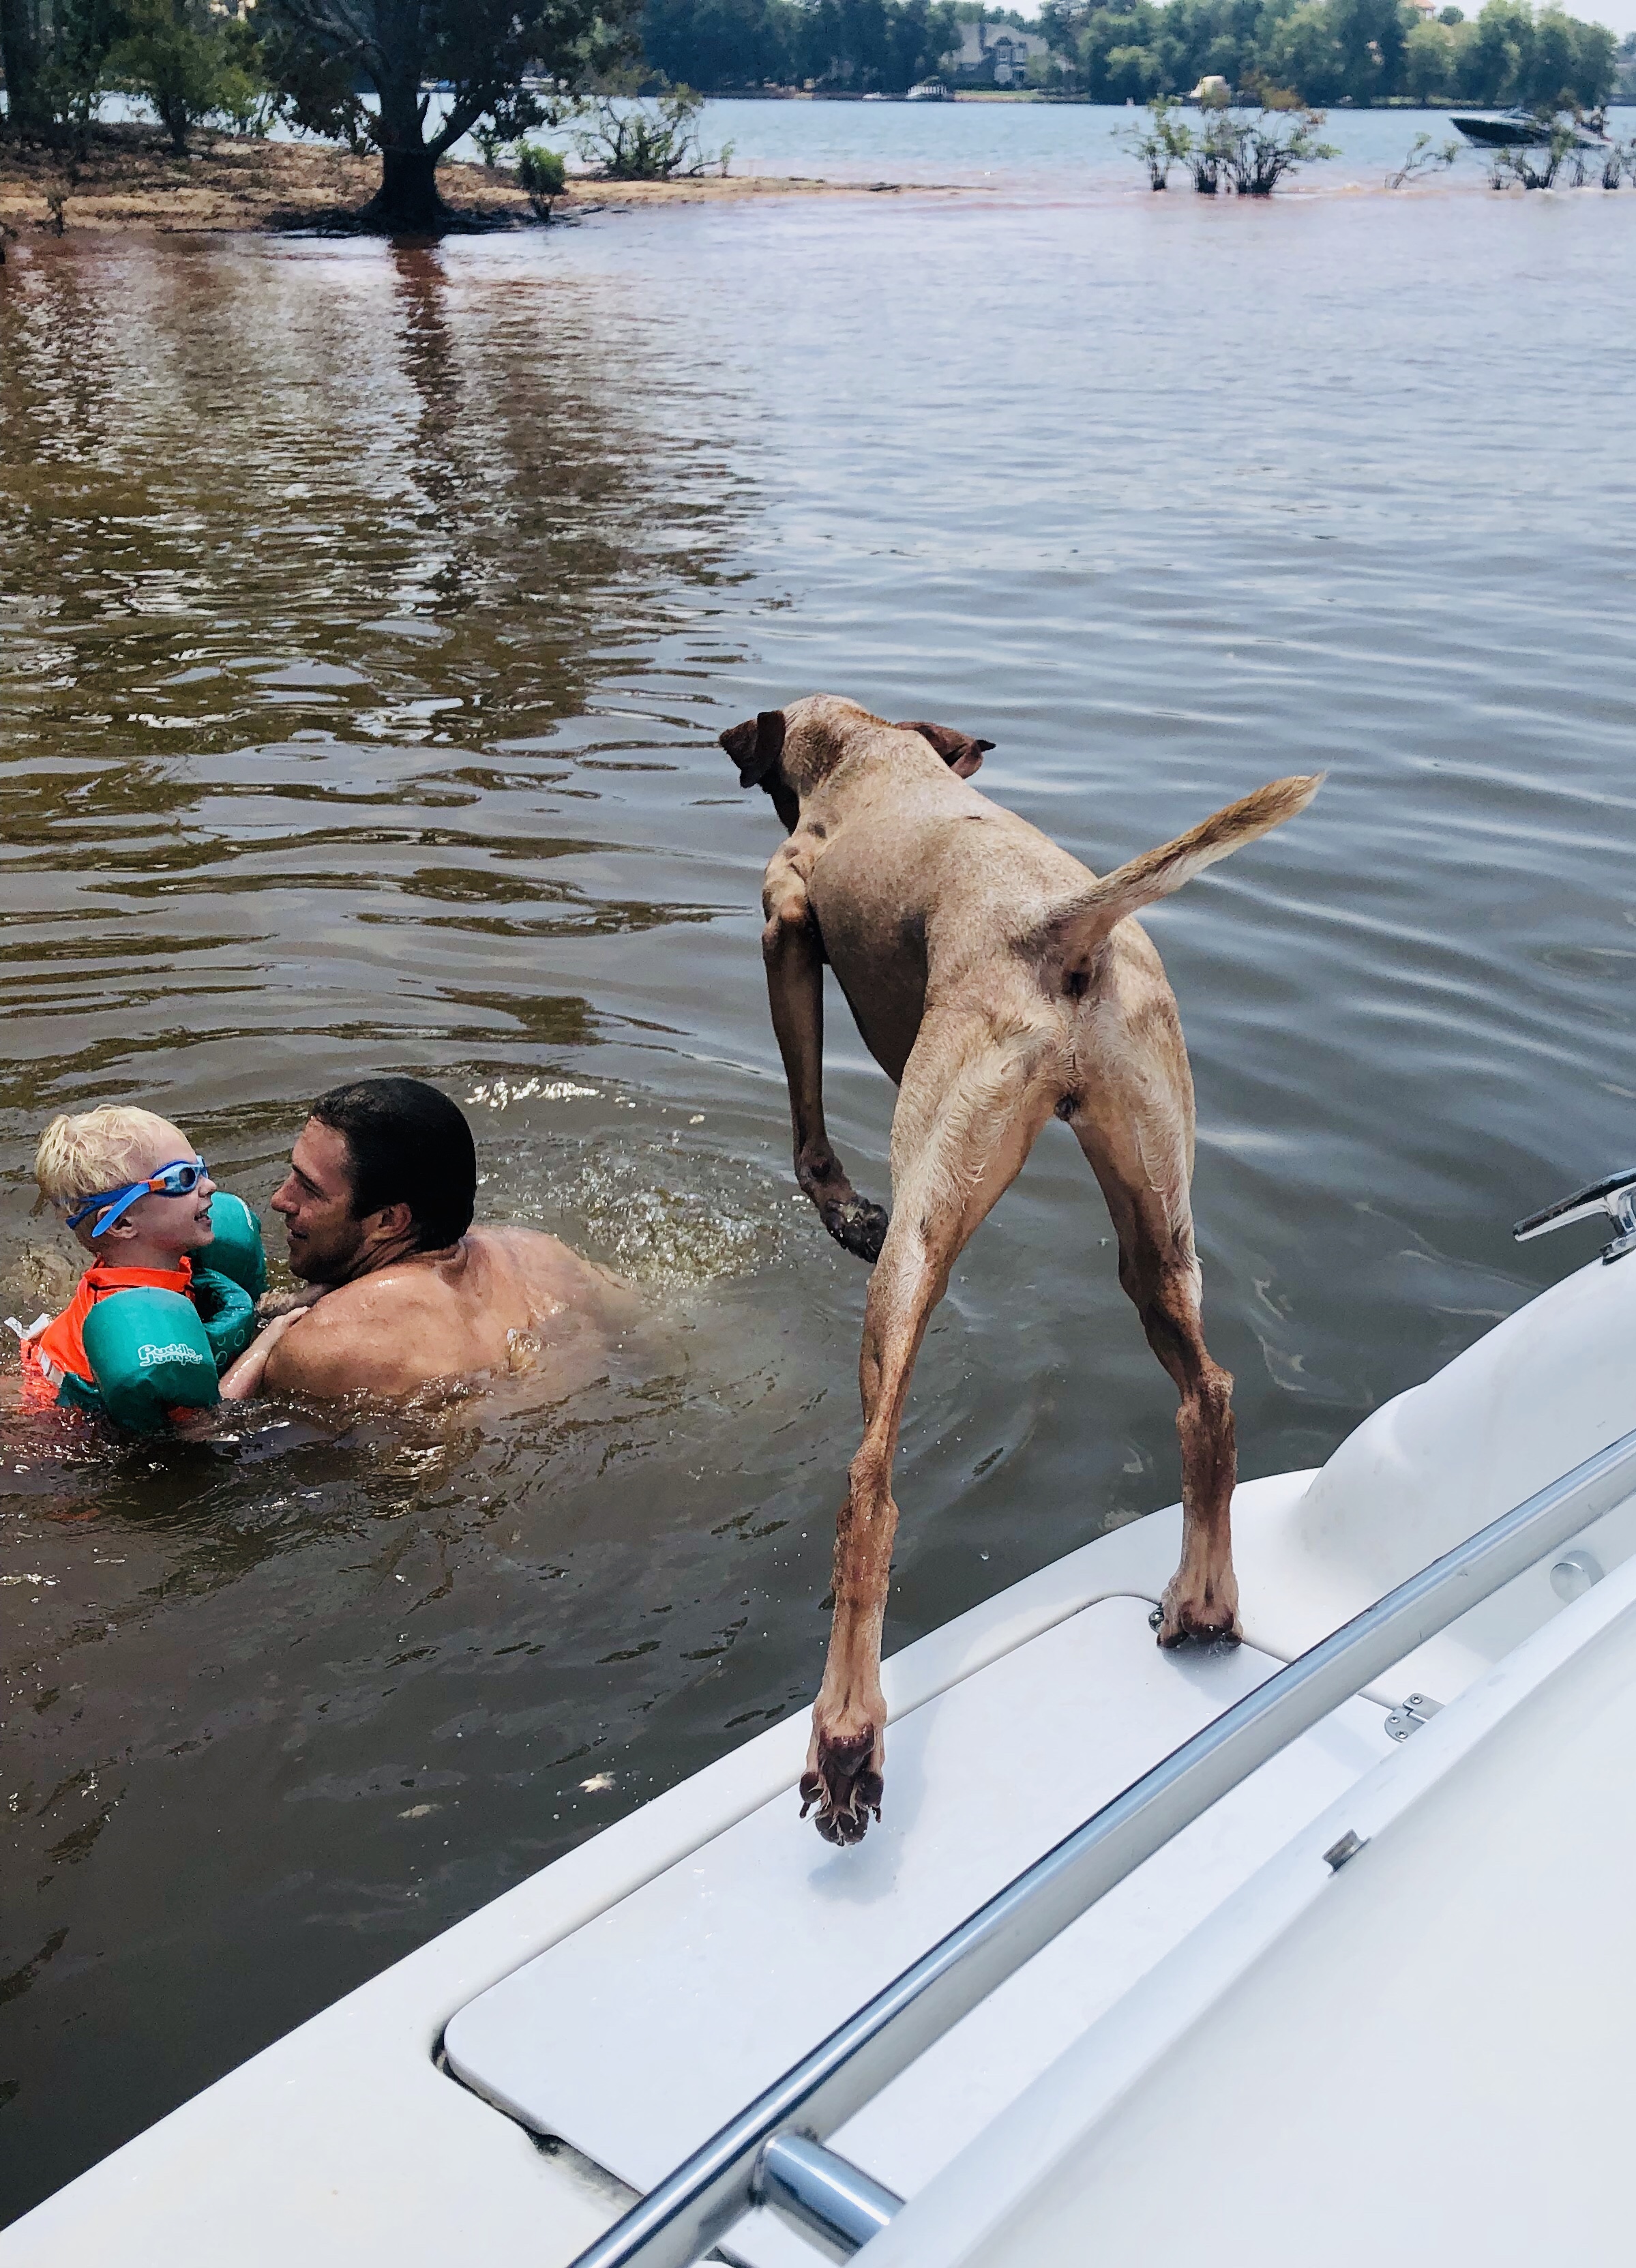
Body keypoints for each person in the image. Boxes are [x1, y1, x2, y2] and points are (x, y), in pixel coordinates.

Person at [222, 1076, 634, 1402]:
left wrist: (263, 1346)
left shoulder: (326, 1344)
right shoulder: (544, 1255)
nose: (280, 1199)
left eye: (309, 1189)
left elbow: (217, 1451)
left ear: (390, 1221)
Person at [20, 1106, 267, 1430]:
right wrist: (267, 1345)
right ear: (122, 1223)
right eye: (184, 1179)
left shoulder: (155, 1263)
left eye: (201, 1168)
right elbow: (200, 1427)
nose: (210, 1185)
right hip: (56, 1427)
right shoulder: (138, 1324)